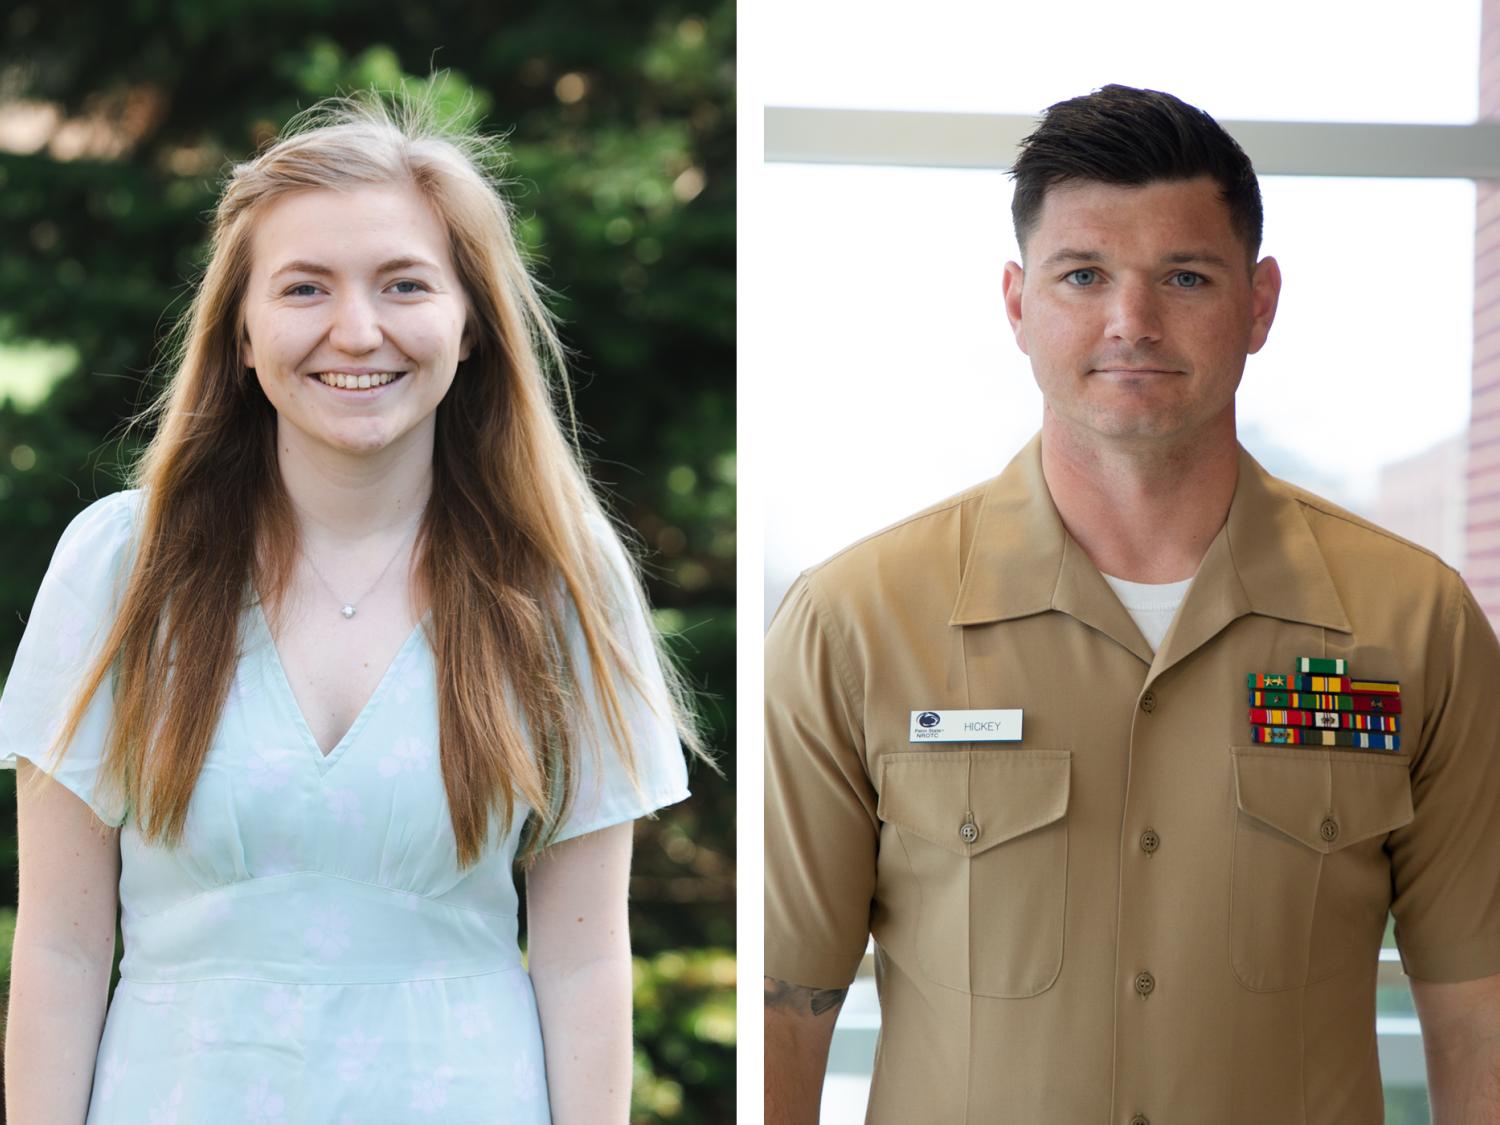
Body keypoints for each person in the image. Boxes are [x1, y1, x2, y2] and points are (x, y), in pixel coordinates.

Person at [764, 84, 1500, 1124]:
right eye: (1084, 275)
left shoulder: (1417, 624)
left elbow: (1478, 1014)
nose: (1132, 323)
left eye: (1185, 276)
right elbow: (782, 1015)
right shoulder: (852, 623)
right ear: (1018, 304)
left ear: (1260, 303)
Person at [2, 87, 704, 1124]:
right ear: (242, 335)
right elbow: (61, 946)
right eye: (304, 288)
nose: (358, 330)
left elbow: (584, 957)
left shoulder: (560, 577)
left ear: (470, 325)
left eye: (405, 283)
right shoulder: (120, 565)